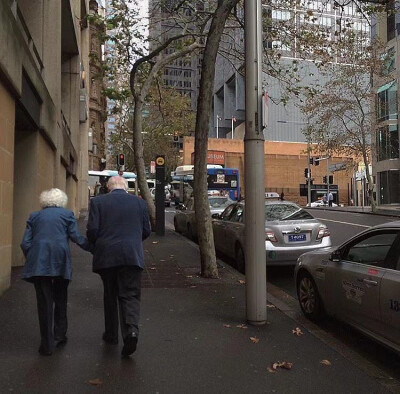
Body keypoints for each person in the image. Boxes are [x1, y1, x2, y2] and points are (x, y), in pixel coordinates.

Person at [87, 176, 151, 357]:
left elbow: (92, 230)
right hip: (131, 255)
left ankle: (111, 334)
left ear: (108, 188)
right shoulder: (139, 204)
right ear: (125, 187)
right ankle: (131, 331)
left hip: (106, 256)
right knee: (130, 295)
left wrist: (97, 244)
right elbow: (146, 230)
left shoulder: (98, 202)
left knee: (110, 294)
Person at [20, 188, 89, 356]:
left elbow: (25, 242)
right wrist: (92, 247)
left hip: (39, 262)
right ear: (62, 201)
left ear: (44, 201)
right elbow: (75, 236)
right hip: (60, 260)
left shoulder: (34, 216)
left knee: (44, 302)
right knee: (60, 297)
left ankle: (47, 344)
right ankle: (60, 333)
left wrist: (33, 255)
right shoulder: (67, 215)